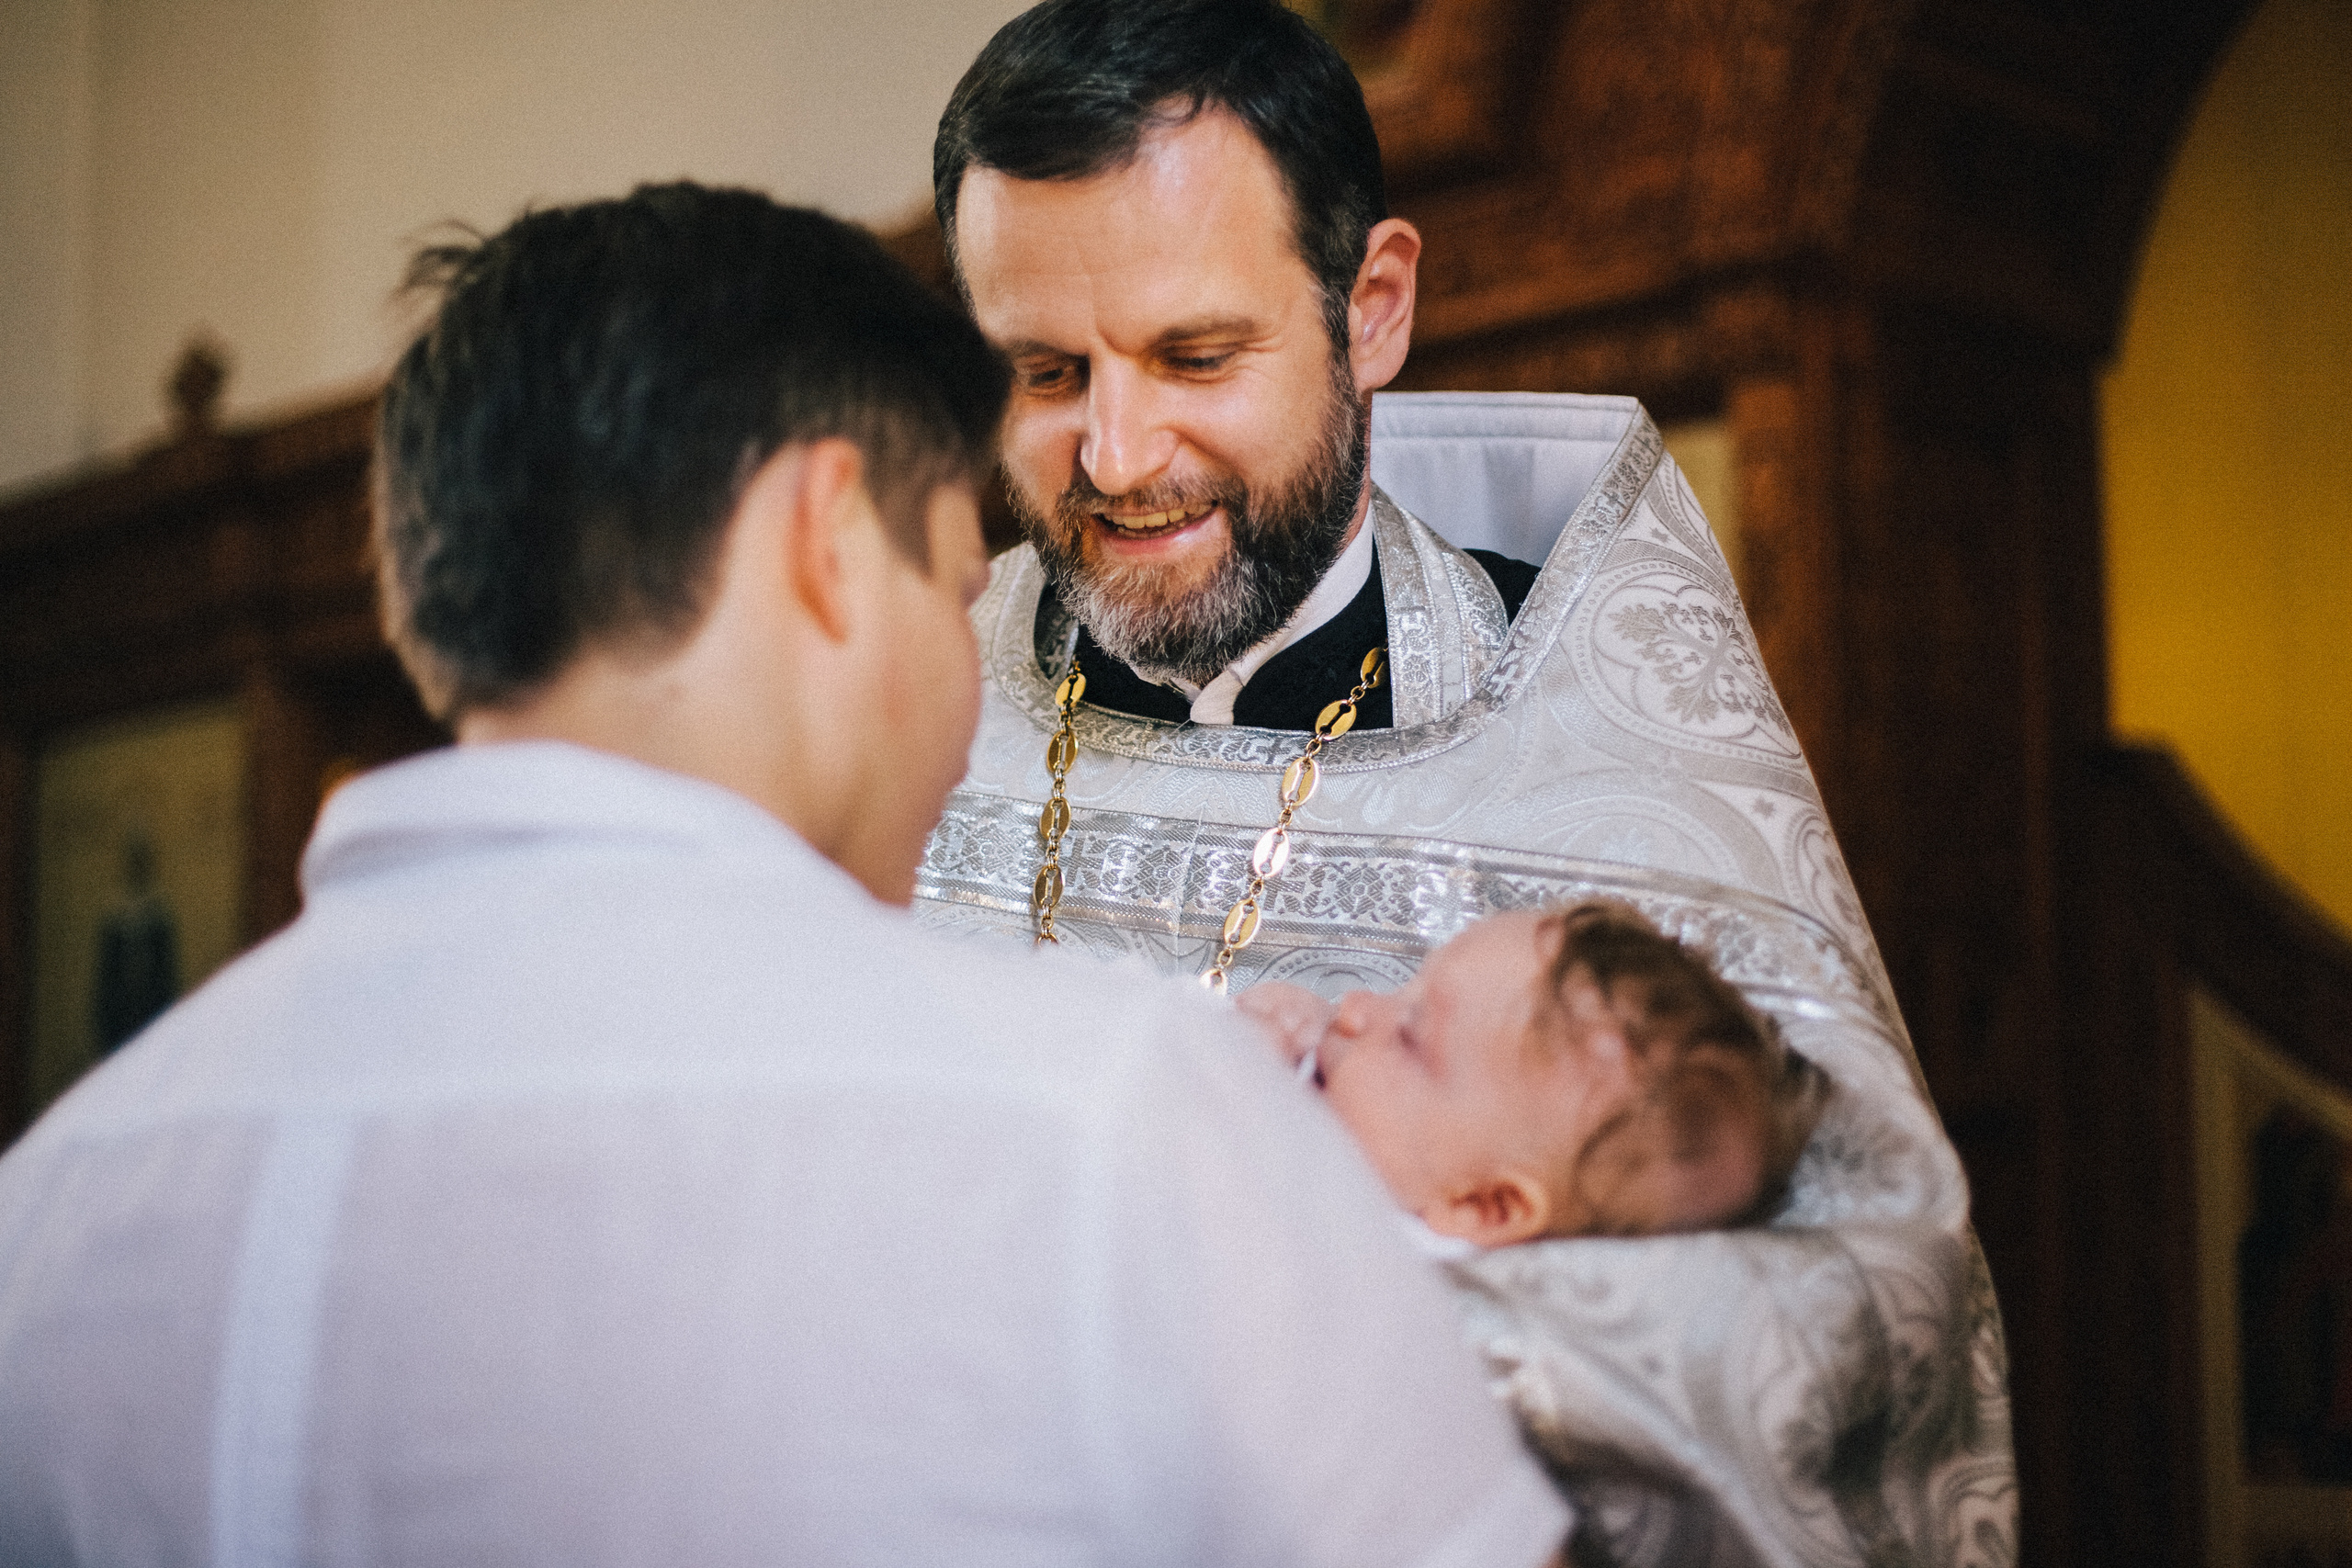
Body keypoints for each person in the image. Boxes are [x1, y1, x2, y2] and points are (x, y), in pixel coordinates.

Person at [0, 183, 1572, 1567]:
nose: (968, 707)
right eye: (951, 588)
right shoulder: (1119, 1120)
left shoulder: (53, 1199)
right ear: (827, 536)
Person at [914, 3, 2017, 1562]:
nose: (1115, 455)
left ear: (1372, 310)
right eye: (1043, 371)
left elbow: (1846, 1311)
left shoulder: (1610, 729)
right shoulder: (907, 697)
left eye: (1195, 356)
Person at [1240, 903, 1832, 1247]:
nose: (1353, 1008)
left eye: (1411, 1036)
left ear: (1486, 1205)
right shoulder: (1382, 1154)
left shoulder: (1380, 1273)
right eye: (1407, 990)